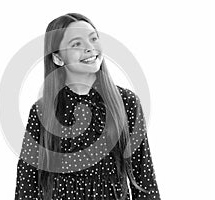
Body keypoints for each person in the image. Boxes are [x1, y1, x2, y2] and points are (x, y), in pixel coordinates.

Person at [14, 13, 161, 200]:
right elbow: (27, 183)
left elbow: (144, 177)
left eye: (93, 39)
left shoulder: (127, 103)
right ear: (58, 58)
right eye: (76, 44)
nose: (90, 48)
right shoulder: (42, 111)